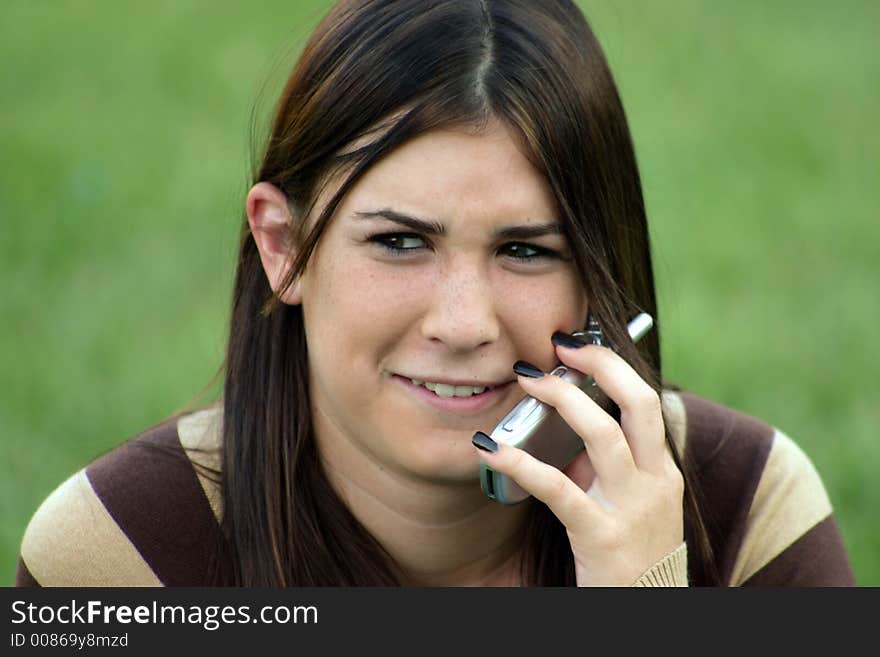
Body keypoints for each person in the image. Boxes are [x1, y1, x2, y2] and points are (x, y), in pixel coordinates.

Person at [15, 0, 855, 587]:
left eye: (526, 250)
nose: (463, 323)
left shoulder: (743, 508)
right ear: (284, 246)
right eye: (400, 241)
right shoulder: (123, 549)